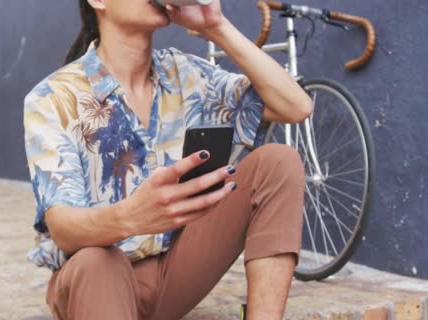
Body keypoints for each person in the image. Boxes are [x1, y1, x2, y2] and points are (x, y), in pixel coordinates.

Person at [23, 0, 313, 319]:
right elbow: (63, 228)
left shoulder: (185, 75)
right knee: (98, 262)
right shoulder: (52, 98)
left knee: (278, 162)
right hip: (92, 282)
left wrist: (216, 27)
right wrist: (131, 216)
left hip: (174, 273)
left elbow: (296, 107)